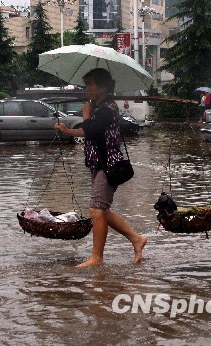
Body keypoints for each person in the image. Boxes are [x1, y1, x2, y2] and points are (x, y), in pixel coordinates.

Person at [54, 68, 147, 267]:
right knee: (102, 211)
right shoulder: (98, 108)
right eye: (85, 84)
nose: (87, 89)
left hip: (108, 165)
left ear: (103, 87)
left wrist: (86, 116)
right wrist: (67, 130)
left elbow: (93, 130)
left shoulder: (108, 108)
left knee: (96, 209)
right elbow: (87, 130)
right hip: (97, 163)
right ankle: (136, 239)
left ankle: (97, 258)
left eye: (90, 84)